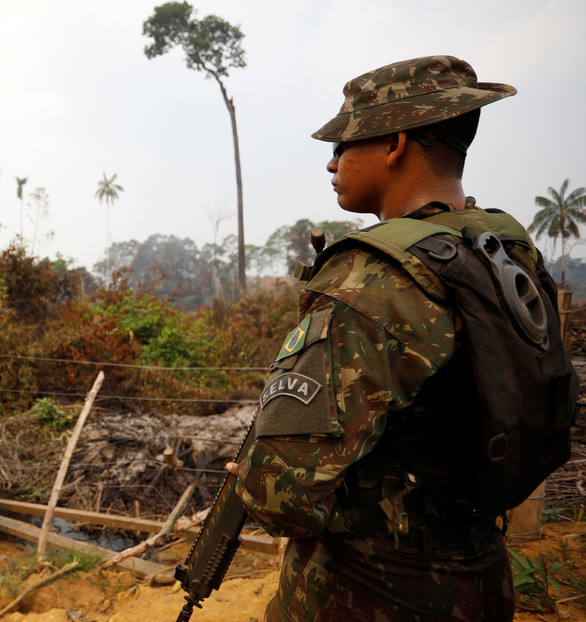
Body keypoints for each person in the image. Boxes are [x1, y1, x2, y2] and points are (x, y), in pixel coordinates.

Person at [227, 56, 560, 621]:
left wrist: (256, 480)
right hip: (483, 572)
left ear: (396, 143)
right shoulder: (504, 249)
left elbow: (281, 496)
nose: (331, 163)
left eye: (343, 145)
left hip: (366, 589)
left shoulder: (372, 277)